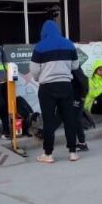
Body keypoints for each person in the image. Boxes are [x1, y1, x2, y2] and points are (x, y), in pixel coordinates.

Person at [29, 20, 80, 163]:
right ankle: (72, 152)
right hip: (66, 85)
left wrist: (40, 77)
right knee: (69, 119)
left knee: (49, 121)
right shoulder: (69, 44)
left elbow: (34, 70)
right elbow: (75, 65)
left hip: (47, 88)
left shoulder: (40, 46)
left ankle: (48, 154)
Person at [71, 66, 90, 152]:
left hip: (77, 97)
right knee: (72, 119)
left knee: (76, 119)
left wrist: (83, 95)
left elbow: (84, 80)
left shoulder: (73, 66)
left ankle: (82, 143)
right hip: (69, 97)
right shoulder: (65, 65)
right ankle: (74, 143)